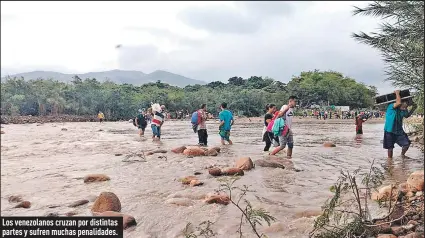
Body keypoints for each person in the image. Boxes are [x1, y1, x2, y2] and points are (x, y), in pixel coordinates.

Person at [383, 90, 418, 158]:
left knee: (406, 144)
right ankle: (390, 162)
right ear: (402, 102)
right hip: (389, 131)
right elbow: (398, 102)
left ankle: (402, 155)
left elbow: (407, 115)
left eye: (407, 105)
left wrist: (413, 108)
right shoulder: (391, 106)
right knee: (390, 148)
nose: (406, 106)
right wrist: (397, 93)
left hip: (399, 131)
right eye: (405, 104)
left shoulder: (403, 110)